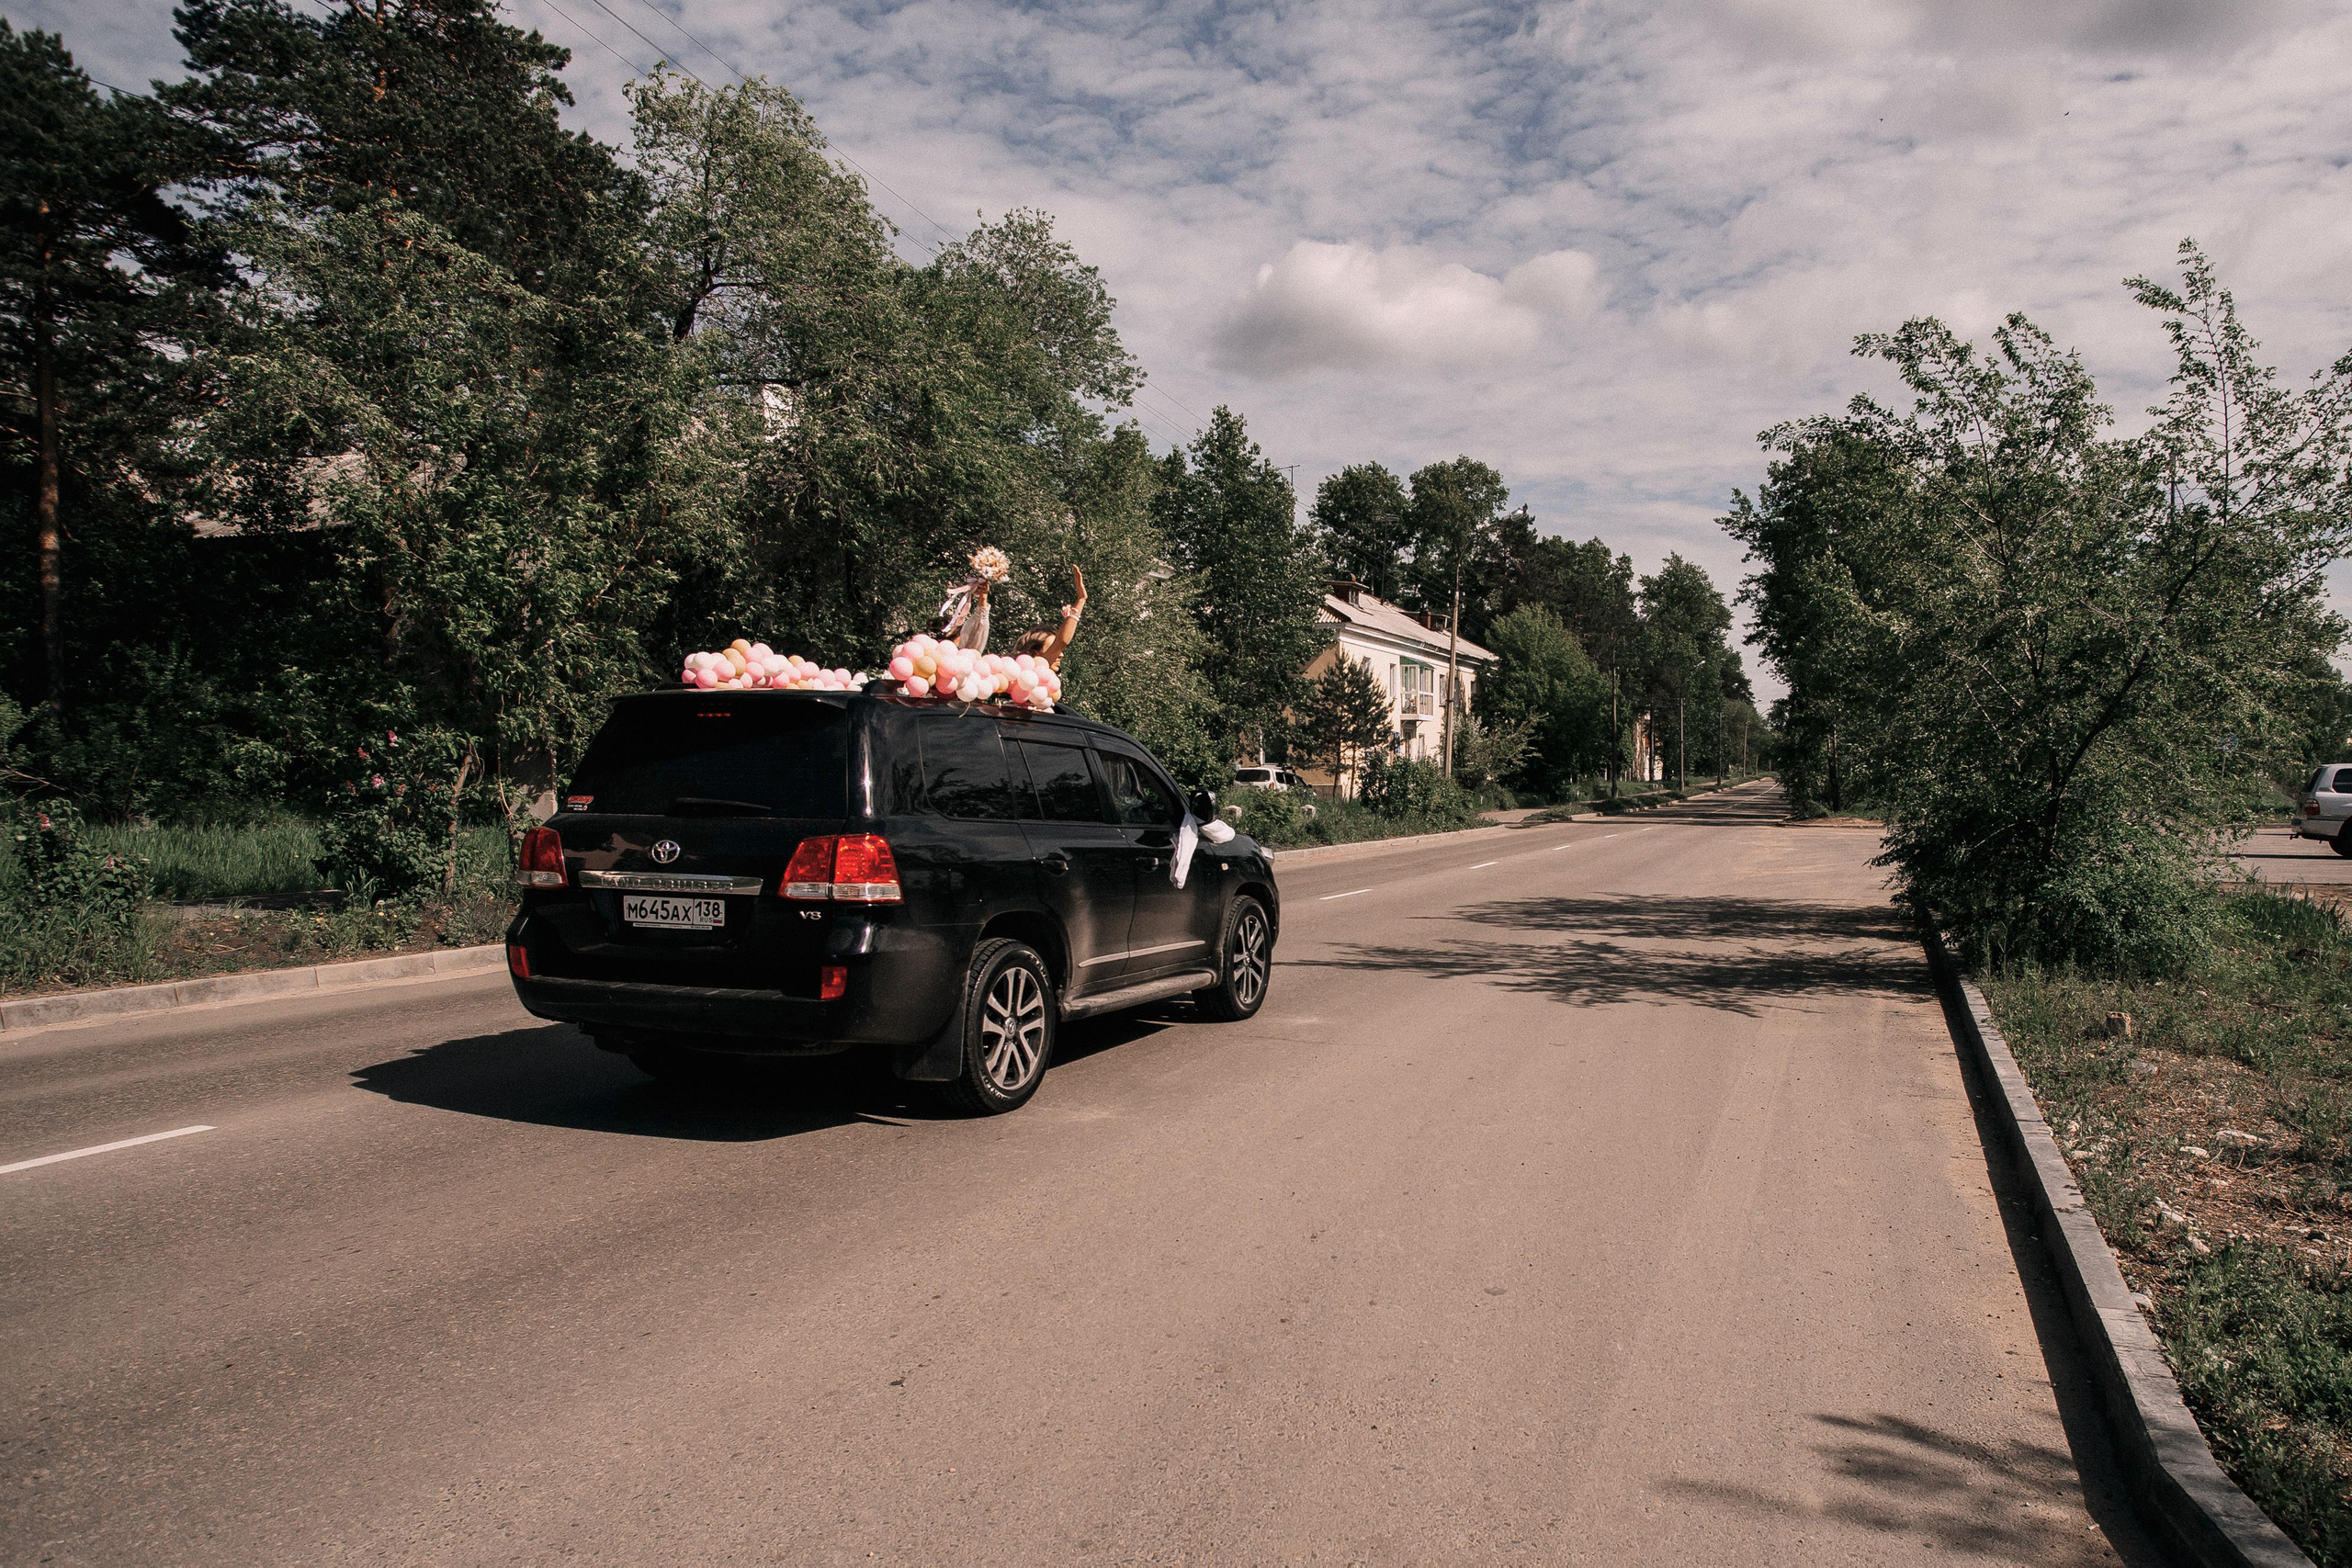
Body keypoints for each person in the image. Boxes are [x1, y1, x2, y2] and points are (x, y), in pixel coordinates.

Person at [1012, 566, 1086, 671]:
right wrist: (1081, 599)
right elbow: (1063, 641)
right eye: (1054, 648)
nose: (1061, 655)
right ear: (1035, 654)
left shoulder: (1048, 680)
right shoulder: (1033, 672)